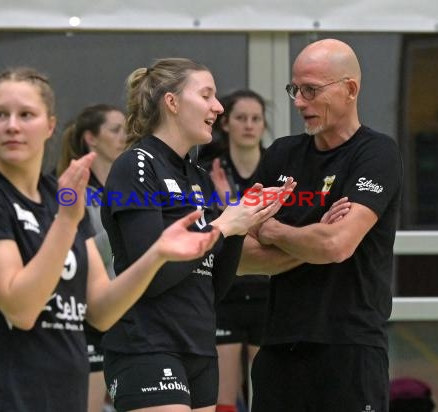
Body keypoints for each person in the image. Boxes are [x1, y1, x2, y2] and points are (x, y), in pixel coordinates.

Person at [0, 67, 225, 412]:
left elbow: (101, 312)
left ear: (49, 125)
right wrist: (66, 223)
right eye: (0, 114)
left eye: (26, 115)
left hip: (66, 392)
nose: (12, 125)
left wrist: (157, 255)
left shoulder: (57, 195)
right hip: (6, 397)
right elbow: (21, 309)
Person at [99, 57, 294, 412]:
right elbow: (153, 275)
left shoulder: (199, 178)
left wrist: (241, 225)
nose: (218, 108)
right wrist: (223, 226)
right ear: (172, 102)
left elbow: (214, 286)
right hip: (146, 343)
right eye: (206, 95)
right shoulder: (136, 165)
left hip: (199, 346)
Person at [240, 38, 403, 412]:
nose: (298, 101)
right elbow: (238, 255)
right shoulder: (280, 154)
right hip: (279, 346)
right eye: (295, 89)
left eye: (311, 90)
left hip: (349, 347)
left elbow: (337, 246)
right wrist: (312, 239)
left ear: (350, 89)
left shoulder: (376, 154)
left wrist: (272, 231)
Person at [198, 89, 269, 412]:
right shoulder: (207, 169)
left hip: (267, 291)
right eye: (241, 118)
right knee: (223, 398)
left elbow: (272, 231)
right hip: (225, 291)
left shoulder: (275, 167)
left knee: (264, 393)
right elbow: (212, 231)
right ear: (225, 123)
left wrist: (232, 210)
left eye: (256, 119)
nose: (249, 125)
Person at [57, 103, 127, 412]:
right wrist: (123, 230)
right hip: (87, 312)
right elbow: (73, 251)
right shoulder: (70, 189)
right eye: (115, 130)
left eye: (125, 128)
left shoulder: (128, 186)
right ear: (91, 138)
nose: (124, 136)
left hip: (125, 309)